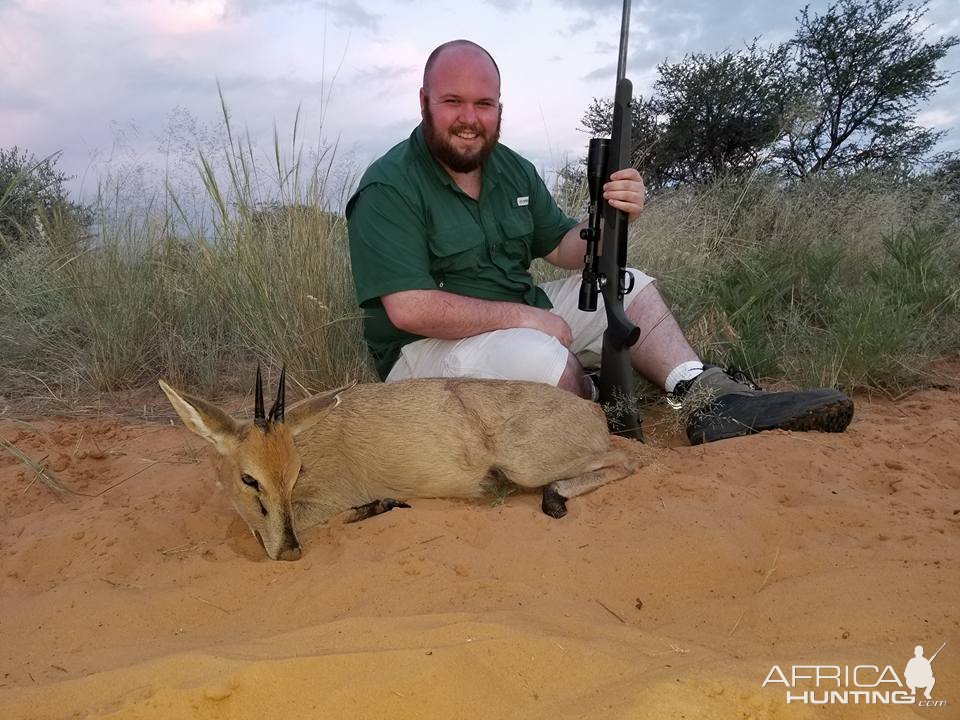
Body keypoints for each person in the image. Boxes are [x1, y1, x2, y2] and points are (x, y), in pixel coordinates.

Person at [346, 39, 854, 444]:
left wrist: (613, 215)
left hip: (522, 315)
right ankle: (596, 406)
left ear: (499, 108)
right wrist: (528, 318)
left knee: (630, 287)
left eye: (483, 104)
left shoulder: (512, 169)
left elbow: (565, 248)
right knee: (541, 361)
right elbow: (409, 308)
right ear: (424, 103)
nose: (469, 119)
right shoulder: (389, 185)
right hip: (424, 354)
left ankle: (705, 398)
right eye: (452, 101)